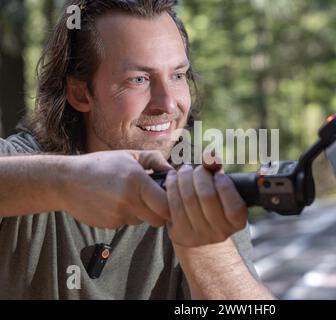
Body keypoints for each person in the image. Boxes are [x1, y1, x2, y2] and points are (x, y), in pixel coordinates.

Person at [0, 0, 274, 300]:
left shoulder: (198, 182)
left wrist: (206, 247)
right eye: (139, 79)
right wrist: (67, 183)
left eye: (178, 75)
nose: (168, 104)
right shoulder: (25, 163)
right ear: (80, 93)